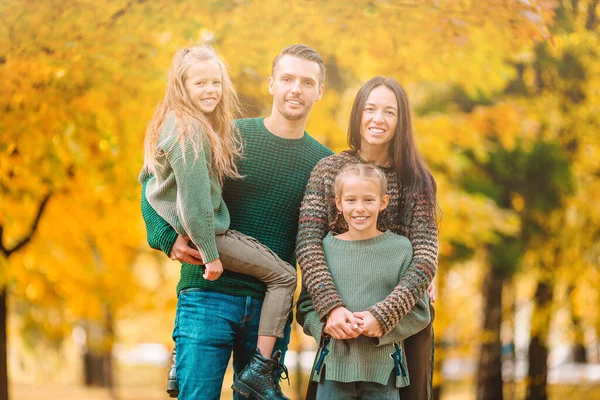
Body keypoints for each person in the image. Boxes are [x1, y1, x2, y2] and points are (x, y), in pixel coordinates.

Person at [140, 44, 333, 400]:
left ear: (320, 91)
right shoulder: (226, 134)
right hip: (207, 295)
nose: (296, 89)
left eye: (307, 82)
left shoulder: (326, 164)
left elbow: (340, 237)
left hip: (268, 311)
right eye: (287, 78)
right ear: (271, 83)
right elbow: (155, 180)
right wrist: (164, 236)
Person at [296, 76, 439, 399]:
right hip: (339, 322)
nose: (378, 118)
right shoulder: (328, 170)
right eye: (370, 109)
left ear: (401, 120)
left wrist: (386, 315)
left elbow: (426, 255)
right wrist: (330, 309)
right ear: (358, 113)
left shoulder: (416, 179)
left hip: (403, 323)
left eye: (390, 112)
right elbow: (308, 243)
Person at [298, 163, 431, 399]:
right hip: (332, 372)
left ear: (383, 202)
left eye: (369, 200)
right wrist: (326, 327)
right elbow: (306, 307)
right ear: (338, 204)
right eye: (351, 200)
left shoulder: (401, 249)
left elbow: (419, 311)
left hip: (385, 374)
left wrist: (383, 326)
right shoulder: (325, 249)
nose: (360, 208)